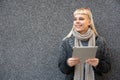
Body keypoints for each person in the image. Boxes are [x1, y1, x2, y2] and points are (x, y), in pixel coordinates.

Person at [58, 8, 111, 80]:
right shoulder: (66, 42)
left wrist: (98, 64)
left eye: (81, 19)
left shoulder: (100, 41)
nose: (77, 22)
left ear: (89, 22)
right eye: (75, 19)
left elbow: (107, 67)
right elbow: (62, 69)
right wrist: (68, 64)